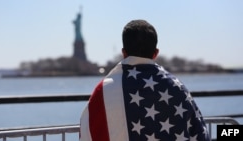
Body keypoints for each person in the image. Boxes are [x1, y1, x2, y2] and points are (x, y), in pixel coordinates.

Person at [79, 19, 210, 141]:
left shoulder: (103, 91)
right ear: (156, 53)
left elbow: (87, 134)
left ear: (123, 53)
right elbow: (200, 134)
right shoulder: (178, 88)